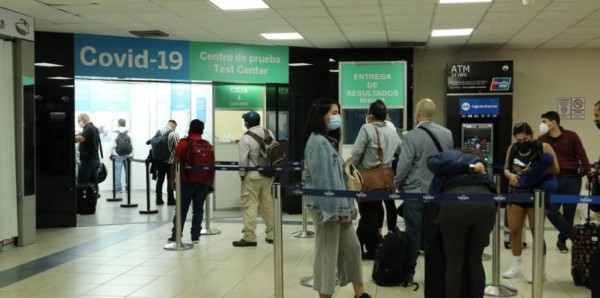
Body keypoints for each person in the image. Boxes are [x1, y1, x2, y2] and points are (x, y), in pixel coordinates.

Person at [304, 97, 370, 298]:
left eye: (338, 112)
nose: (337, 116)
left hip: (341, 208)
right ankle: (325, 295)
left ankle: (360, 294)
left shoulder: (328, 142)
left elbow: (338, 180)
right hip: (328, 210)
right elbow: (324, 182)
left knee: (352, 248)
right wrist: (334, 211)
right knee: (327, 254)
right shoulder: (317, 142)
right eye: (333, 112)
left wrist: (349, 206)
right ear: (321, 115)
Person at [394, 98, 453, 283]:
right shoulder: (447, 133)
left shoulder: (411, 136)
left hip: (415, 191)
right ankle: (437, 274)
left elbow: (404, 165)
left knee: (413, 232)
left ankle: (409, 273)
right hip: (439, 191)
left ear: (417, 113)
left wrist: (397, 183)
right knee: (436, 233)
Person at [427, 148, 496, 298]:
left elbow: (431, 169)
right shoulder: (480, 162)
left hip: (454, 202)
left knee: (454, 262)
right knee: (475, 260)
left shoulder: (446, 157)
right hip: (485, 202)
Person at [502, 122, 559, 283]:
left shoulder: (544, 147)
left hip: (537, 193)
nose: (522, 142)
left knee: (536, 232)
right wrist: (510, 176)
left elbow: (556, 169)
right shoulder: (512, 149)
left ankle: (540, 270)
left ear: (532, 135)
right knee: (514, 231)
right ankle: (516, 265)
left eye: (525, 138)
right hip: (517, 192)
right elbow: (506, 168)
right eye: (518, 139)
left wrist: (534, 171)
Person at [350, 99, 401, 259]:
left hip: (367, 178)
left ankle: (371, 247)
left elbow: (357, 152)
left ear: (370, 114)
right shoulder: (393, 133)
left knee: (367, 213)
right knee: (377, 210)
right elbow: (402, 151)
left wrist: (353, 169)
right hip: (384, 179)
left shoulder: (366, 128)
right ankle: (371, 243)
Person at [537, 111, 592, 253]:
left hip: (572, 179)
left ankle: (562, 241)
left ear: (553, 123)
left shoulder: (571, 136)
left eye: (544, 121)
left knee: (569, 212)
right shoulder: (542, 139)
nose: (542, 124)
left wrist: (589, 172)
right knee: (552, 211)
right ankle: (573, 235)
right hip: (553, 179)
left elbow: (582, 154)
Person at [233, 111, 275, 247]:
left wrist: (242, 175)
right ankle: (271, 234)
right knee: (267, 205)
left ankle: (249, 236)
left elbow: (242, 160)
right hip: (268, 174)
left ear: (247, 123)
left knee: (249, 204)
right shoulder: (269, 133)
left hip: (252, 175)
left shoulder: (246, 138)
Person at [168, 120, 213, 244]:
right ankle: (195, 235)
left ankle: (176, 234)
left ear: (190, 129)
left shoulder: (184, 143)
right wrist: (211, 182)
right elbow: (212, 166)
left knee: (181, 209)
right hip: (203, 182)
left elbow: (175, 161)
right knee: (198, 209)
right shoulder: (207, 145)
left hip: (186, 181)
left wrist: (172, 179)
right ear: (202, 130)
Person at [151, 120, 179, 205]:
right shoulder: (174, 134)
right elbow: (178, 148)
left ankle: (158, 199)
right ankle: (170, 200)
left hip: (158, 160)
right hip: (169, 161)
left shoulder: (158, 131)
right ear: (174, 126)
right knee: (170, 180)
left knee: (160, 180)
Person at [75, 113, 101, 197]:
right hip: (95, 159)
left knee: (82, 180)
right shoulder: (95, 128)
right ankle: (93, 198)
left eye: (79, 121)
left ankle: (84, 201)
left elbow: (82, 138)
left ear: (84, 119)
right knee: (94, 181)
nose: (79, 123)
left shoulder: (88, 127)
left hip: (88, 160)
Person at [110, 119, 133, 193]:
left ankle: (118, 189)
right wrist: (132, 155)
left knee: (117, 172)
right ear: (125, 124)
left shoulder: (114, 133)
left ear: (118, 124)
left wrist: (111, 153)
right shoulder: (129, 132)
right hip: (128, 155)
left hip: (117, 155)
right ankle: (128, 188)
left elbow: (112, 145)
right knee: (128, 172)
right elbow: (132, 144)